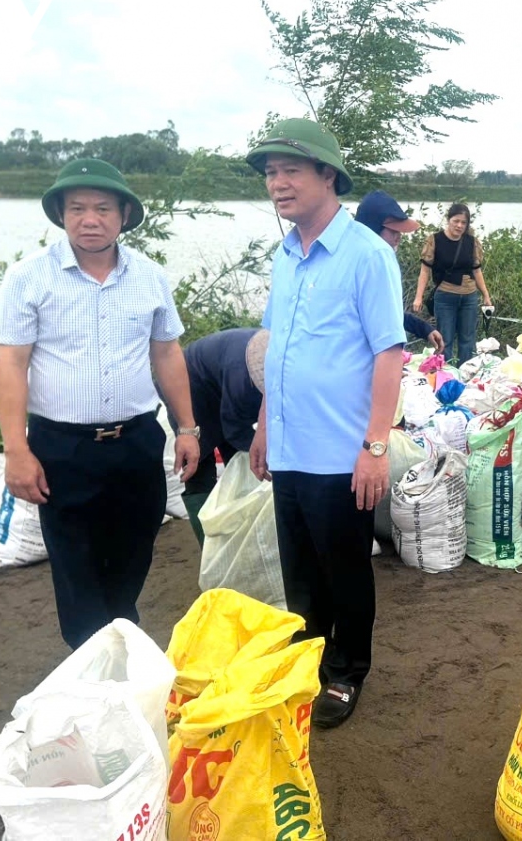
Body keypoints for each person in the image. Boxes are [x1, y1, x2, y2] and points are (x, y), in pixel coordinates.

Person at [0, 158, 200, 649]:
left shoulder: (149, 277)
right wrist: (15, 450)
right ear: (61, 215)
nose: (90, 219)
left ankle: (119, 640)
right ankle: (92, 667)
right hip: (62, 448)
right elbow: (11, 367)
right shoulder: (28, 278)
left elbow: (167, 353)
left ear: (124, 214)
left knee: (134, 553)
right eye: (78, 208)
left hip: (136, 442)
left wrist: (187, 428)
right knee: (75, 565)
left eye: (103, 208)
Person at [246, 118, 405, 729]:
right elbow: (277, 345)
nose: (278, 185)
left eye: (290, 171)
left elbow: (389, 352)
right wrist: (264, 424)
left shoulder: (366, 254)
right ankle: (309, 660)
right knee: (301, 570)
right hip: (288, 444)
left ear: (326, 175)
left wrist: (375, 446)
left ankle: (346, 672)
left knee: (344, 569)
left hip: (341, 451)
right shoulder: (286, 255)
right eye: (270, 174)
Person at [172, 328, 268, 544]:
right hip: (189, 389)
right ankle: (211, 546)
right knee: (199, 465)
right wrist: (263, 454)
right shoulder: (242, 379)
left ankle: (241, 534)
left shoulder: (273, 357)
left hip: (219, 383)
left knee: (239, 463)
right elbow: (233, 427)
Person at [355, 189, 444, 354]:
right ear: (371, 230)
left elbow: (389, 313)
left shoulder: (379, 263)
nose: (399, 237)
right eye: (393, 231)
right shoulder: (356, 267)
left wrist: (424, 329)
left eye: (400, 231)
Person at [412, 204, 493, 365]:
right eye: (456, 221)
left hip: (469, 296)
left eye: (464, 222)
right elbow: (425, 271)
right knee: (444, 339)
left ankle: (466, 373)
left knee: (467, 340)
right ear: (448, 220)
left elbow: (477, 271)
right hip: (445, 296)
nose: (459, 226)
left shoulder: (471, 242)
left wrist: (486, 295)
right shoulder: (435, 240)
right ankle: (446, 374)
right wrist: (418, 297)